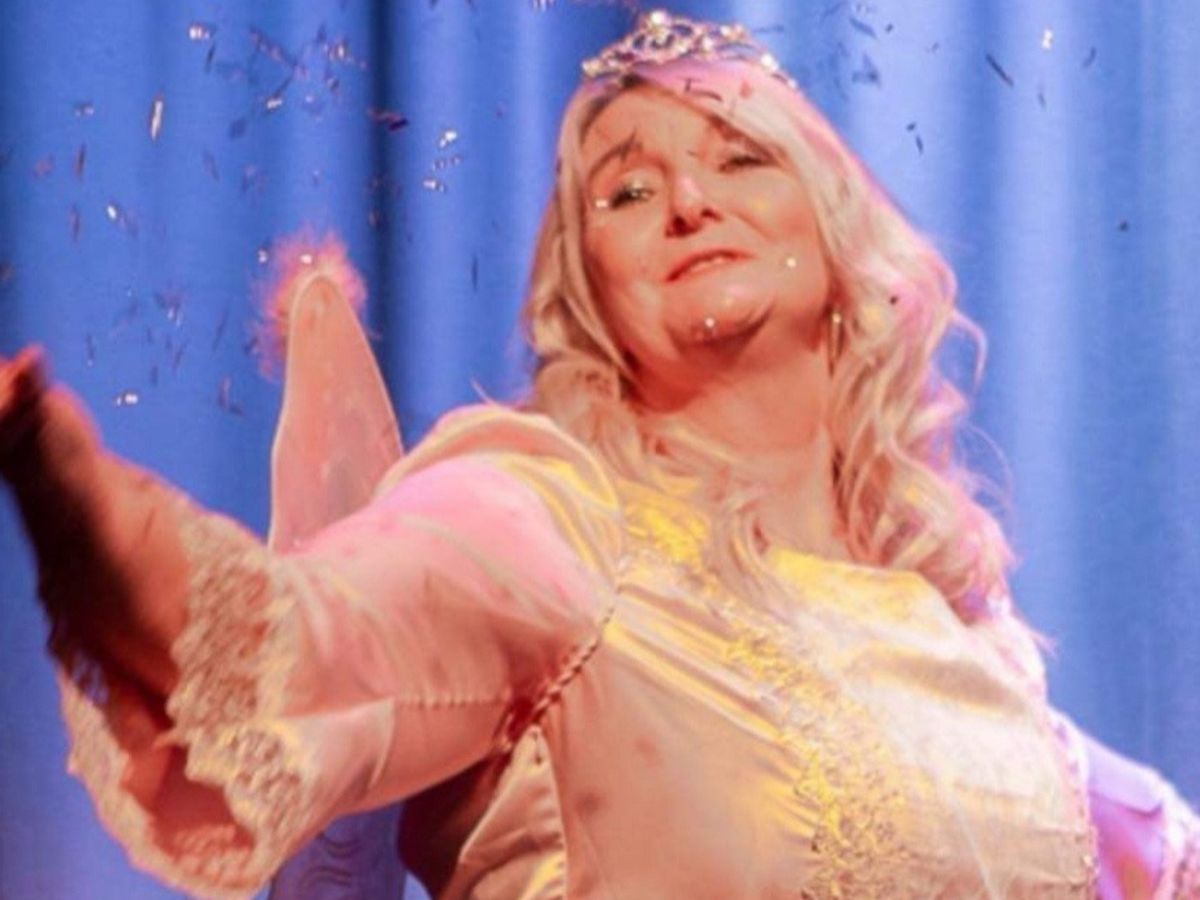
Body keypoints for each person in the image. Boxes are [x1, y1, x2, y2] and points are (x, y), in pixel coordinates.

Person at [0, 10, 1196, 899]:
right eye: (626, 191)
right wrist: (72, 488)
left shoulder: (967, 643)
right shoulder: (550, 525)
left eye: (740, 157)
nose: (688, 200)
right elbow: (291, 649)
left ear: (841, 246)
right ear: (592, 299)